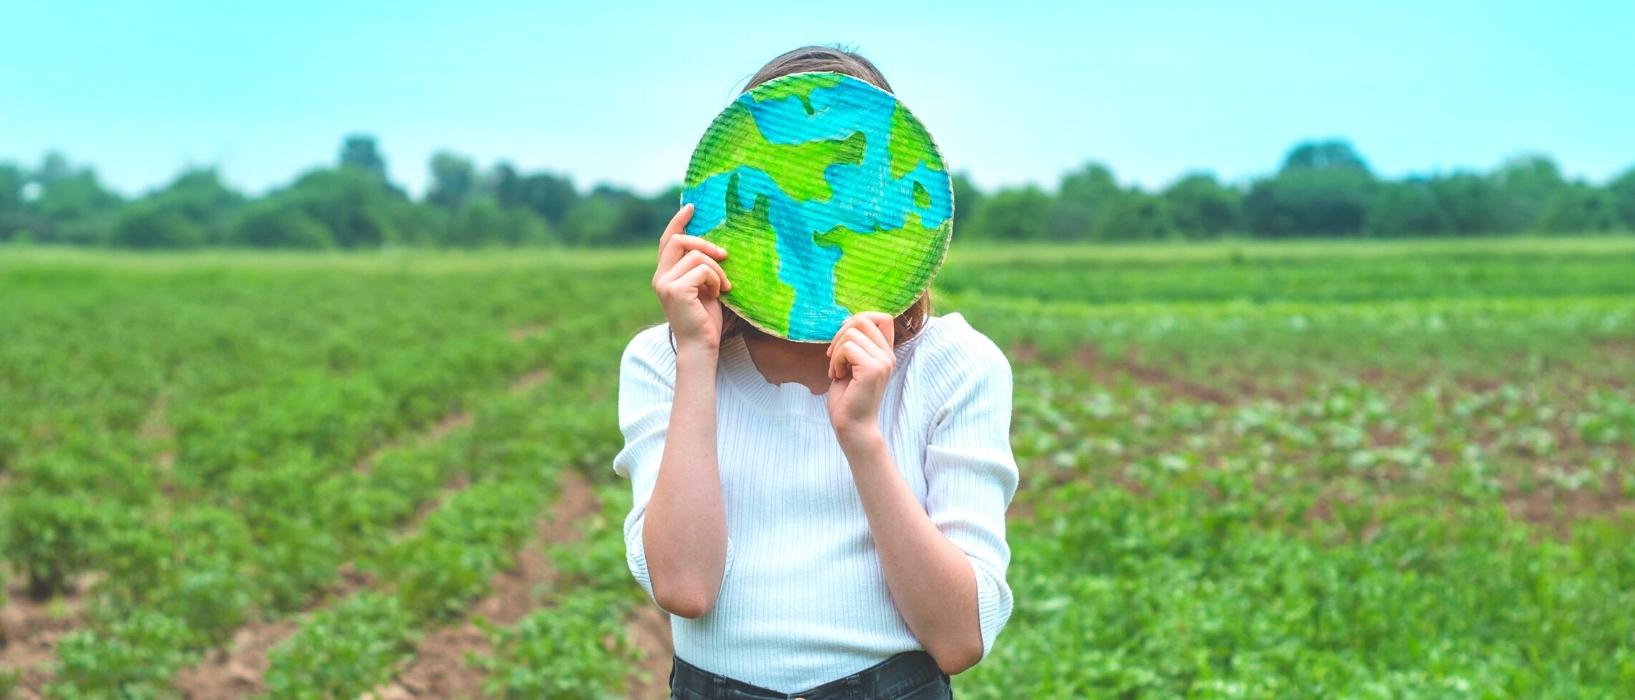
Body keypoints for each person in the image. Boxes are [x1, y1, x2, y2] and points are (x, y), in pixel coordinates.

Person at [613, 45, 1018, 700]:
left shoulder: (954, 365)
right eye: (783, 186)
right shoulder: (662, 360)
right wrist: (696, 357)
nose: (814, 209)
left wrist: (860, 436)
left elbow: (956, 639)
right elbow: (686, 588)